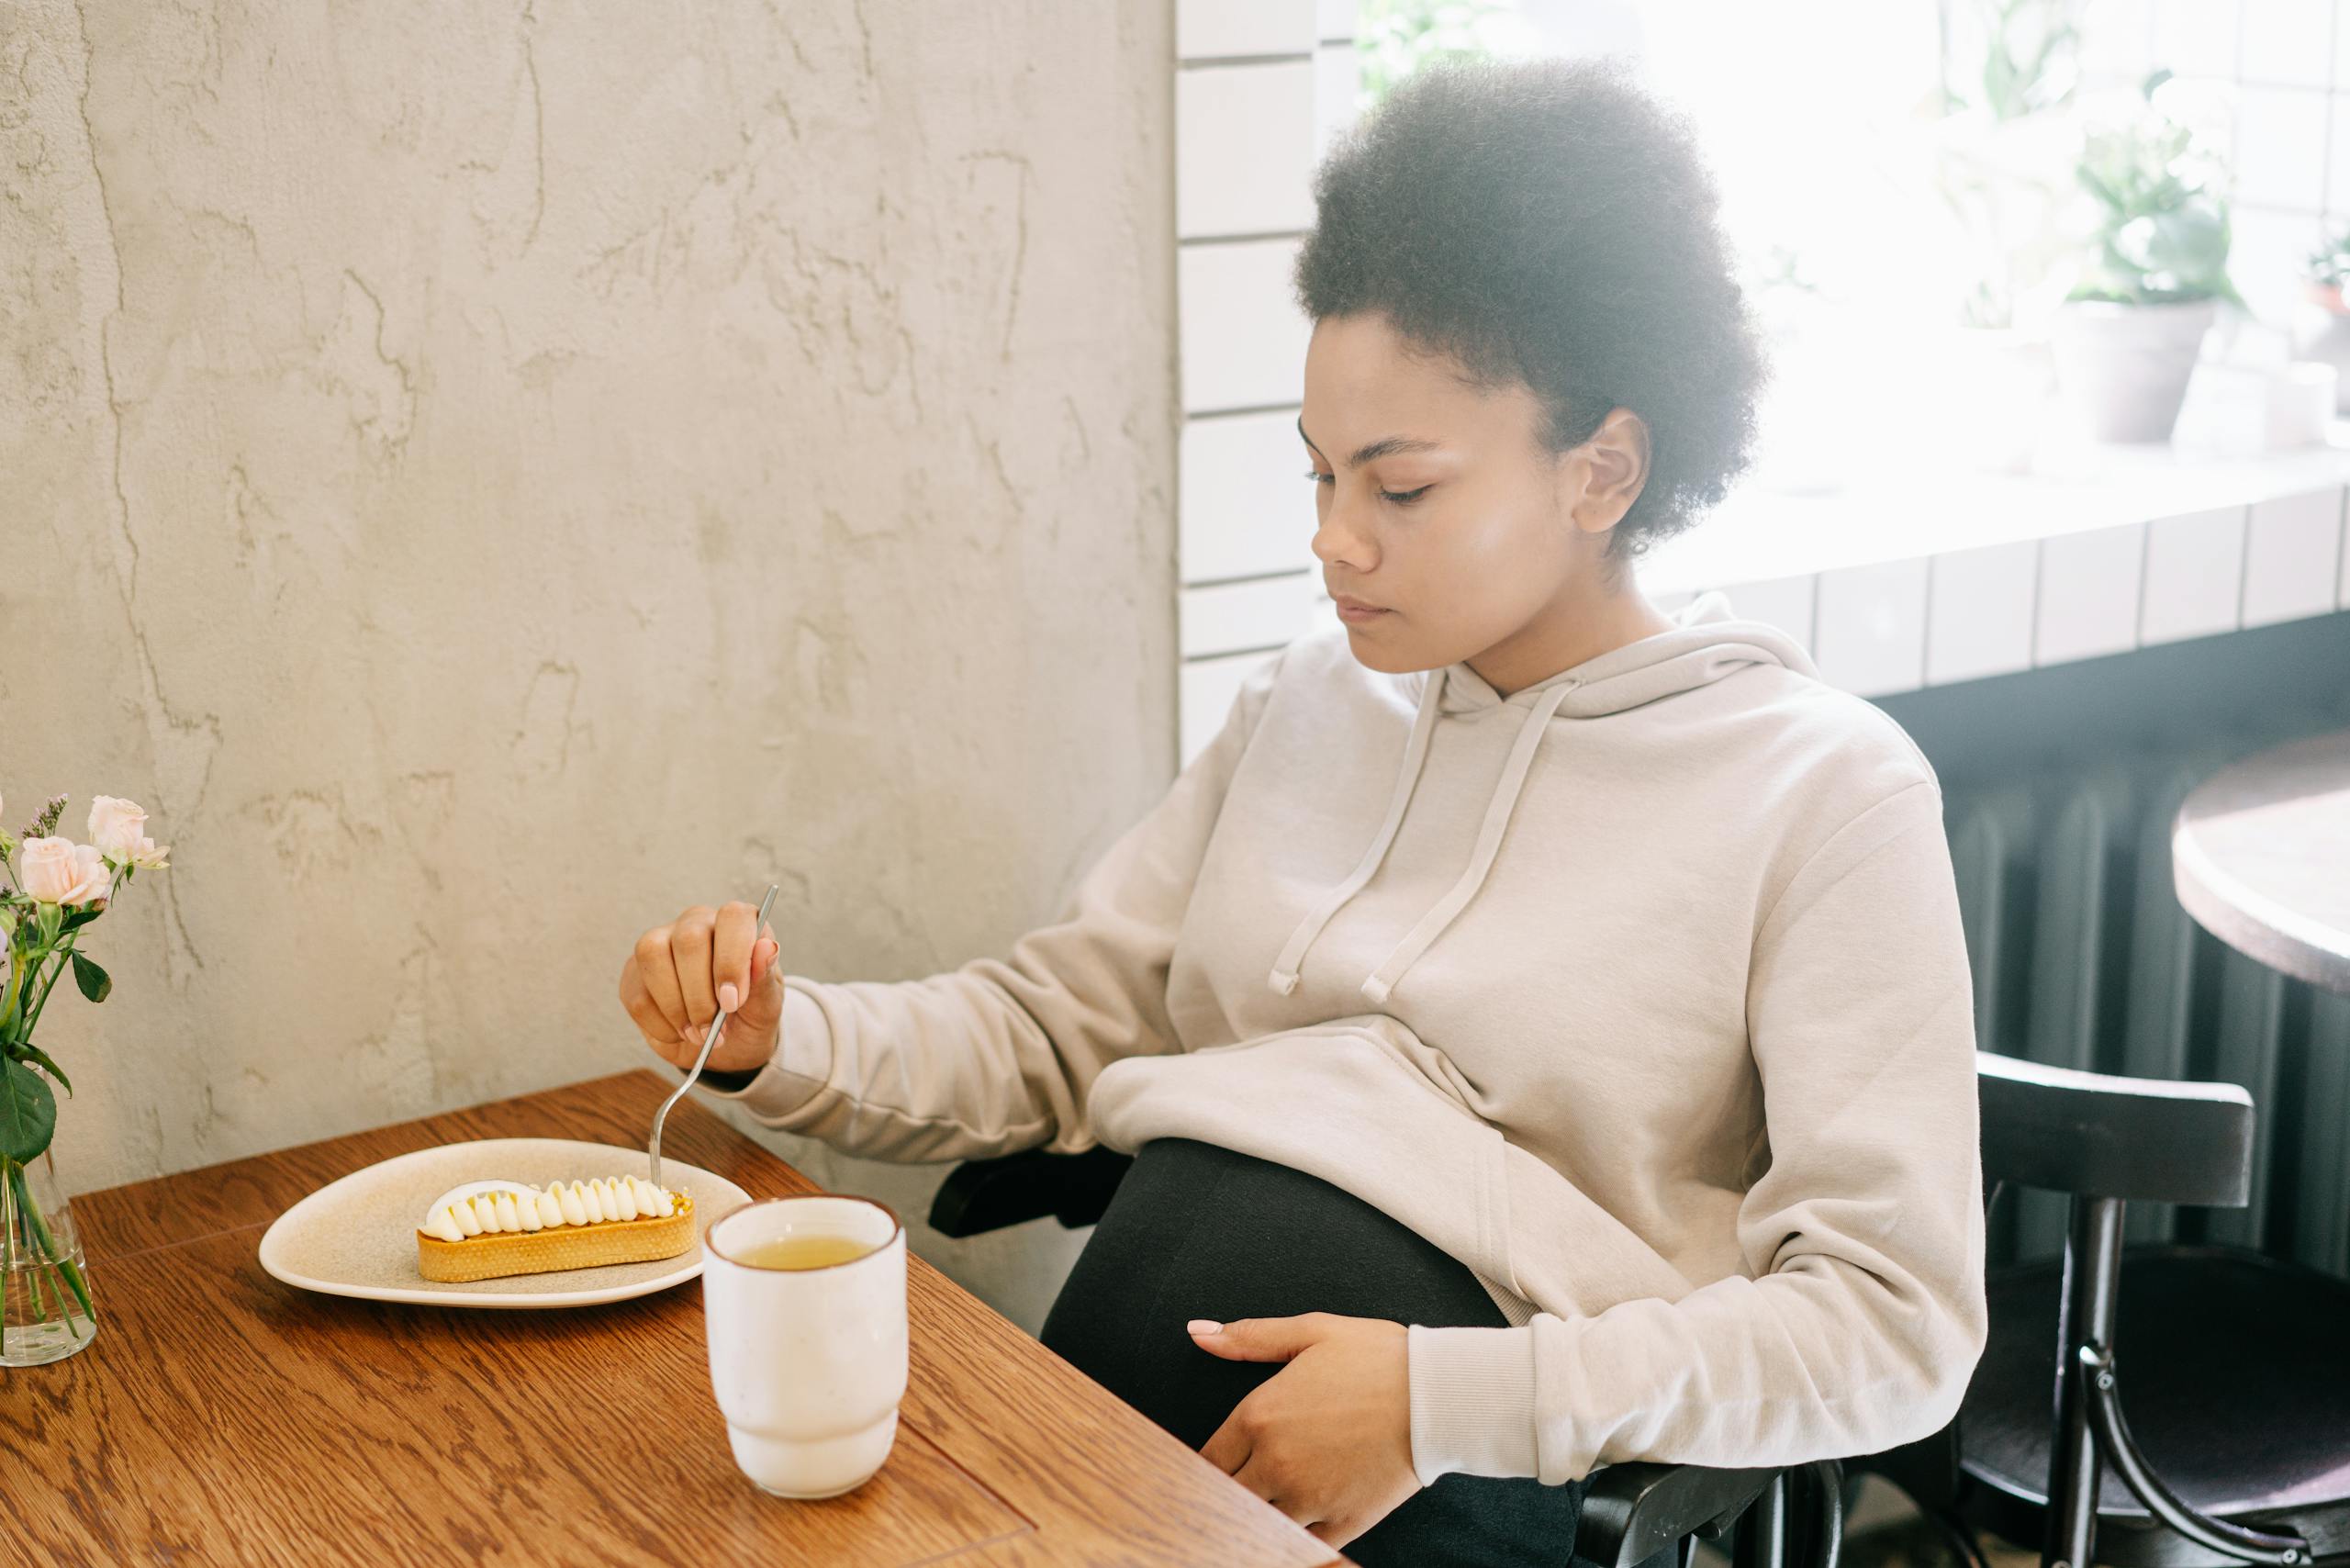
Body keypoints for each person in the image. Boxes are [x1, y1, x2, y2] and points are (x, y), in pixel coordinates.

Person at [617, 54, 1987, 1566]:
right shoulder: (1310, 702)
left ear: (1603, 468)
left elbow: (1893, 1325)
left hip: (1440, 1484)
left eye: (1399, 491)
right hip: (1104, 1436)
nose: (1335, 542)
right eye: (1320, 473)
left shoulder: (1820, 791)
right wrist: (778, 1034)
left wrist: (1441, 1403)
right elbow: (1058, 1028)